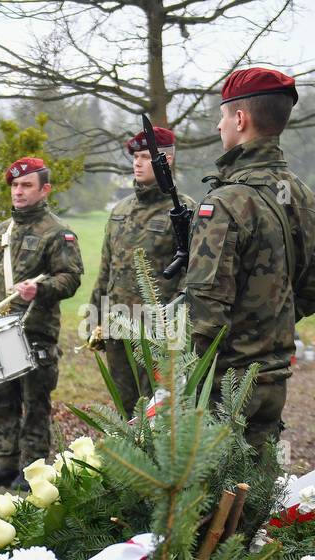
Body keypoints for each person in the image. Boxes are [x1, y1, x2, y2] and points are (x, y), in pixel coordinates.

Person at [186, 67, 315, 450]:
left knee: (214, 504)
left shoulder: (225, 202)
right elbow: (314, 293)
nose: (219, 127)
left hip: (224, 386)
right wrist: (267, 325)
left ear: (239, 118)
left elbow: (205, 313)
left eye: (222, 116)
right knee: (258, 496)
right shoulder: (305, 197)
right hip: (274, 378)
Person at [0, 157, 83, 489]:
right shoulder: (0, 231)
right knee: (0, 400)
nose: (18, 191)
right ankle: (4, 464)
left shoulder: (58, 233)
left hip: (35, 331)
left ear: (44, 190)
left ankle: (31, 471)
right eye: (15, 185)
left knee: (34, 403)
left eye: (26, 185)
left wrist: (40, 289)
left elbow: (71, 278)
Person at [87, 127, 196, 417]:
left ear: (166, 160)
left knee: (160, 410)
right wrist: (94, 315)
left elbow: (193, 273)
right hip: (117, 325)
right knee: (126, 409)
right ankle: (127, 461)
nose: (137, 162)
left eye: (146, 156)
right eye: (135, 156)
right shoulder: (120, 209)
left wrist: (176, 324)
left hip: (157, 332)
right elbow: (106, 268)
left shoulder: (183, 210)